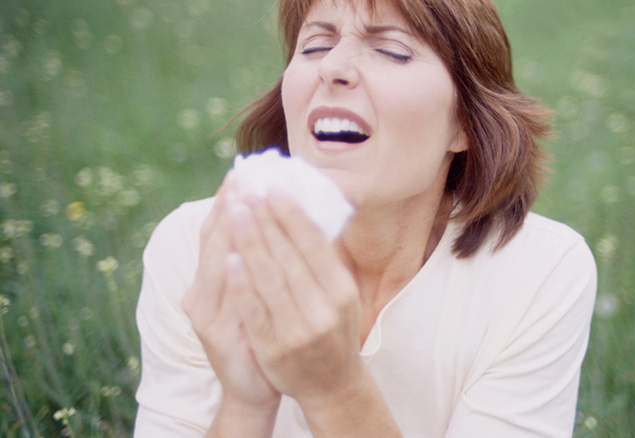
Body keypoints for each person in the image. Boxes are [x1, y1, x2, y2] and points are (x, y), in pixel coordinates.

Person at [133, 0, 597, 436]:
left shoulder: (540, 271)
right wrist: (245, 403)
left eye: (392, 51)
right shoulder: (194, 248)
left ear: (464, 124)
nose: (332, 67)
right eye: (315, 45)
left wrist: (334, 389)